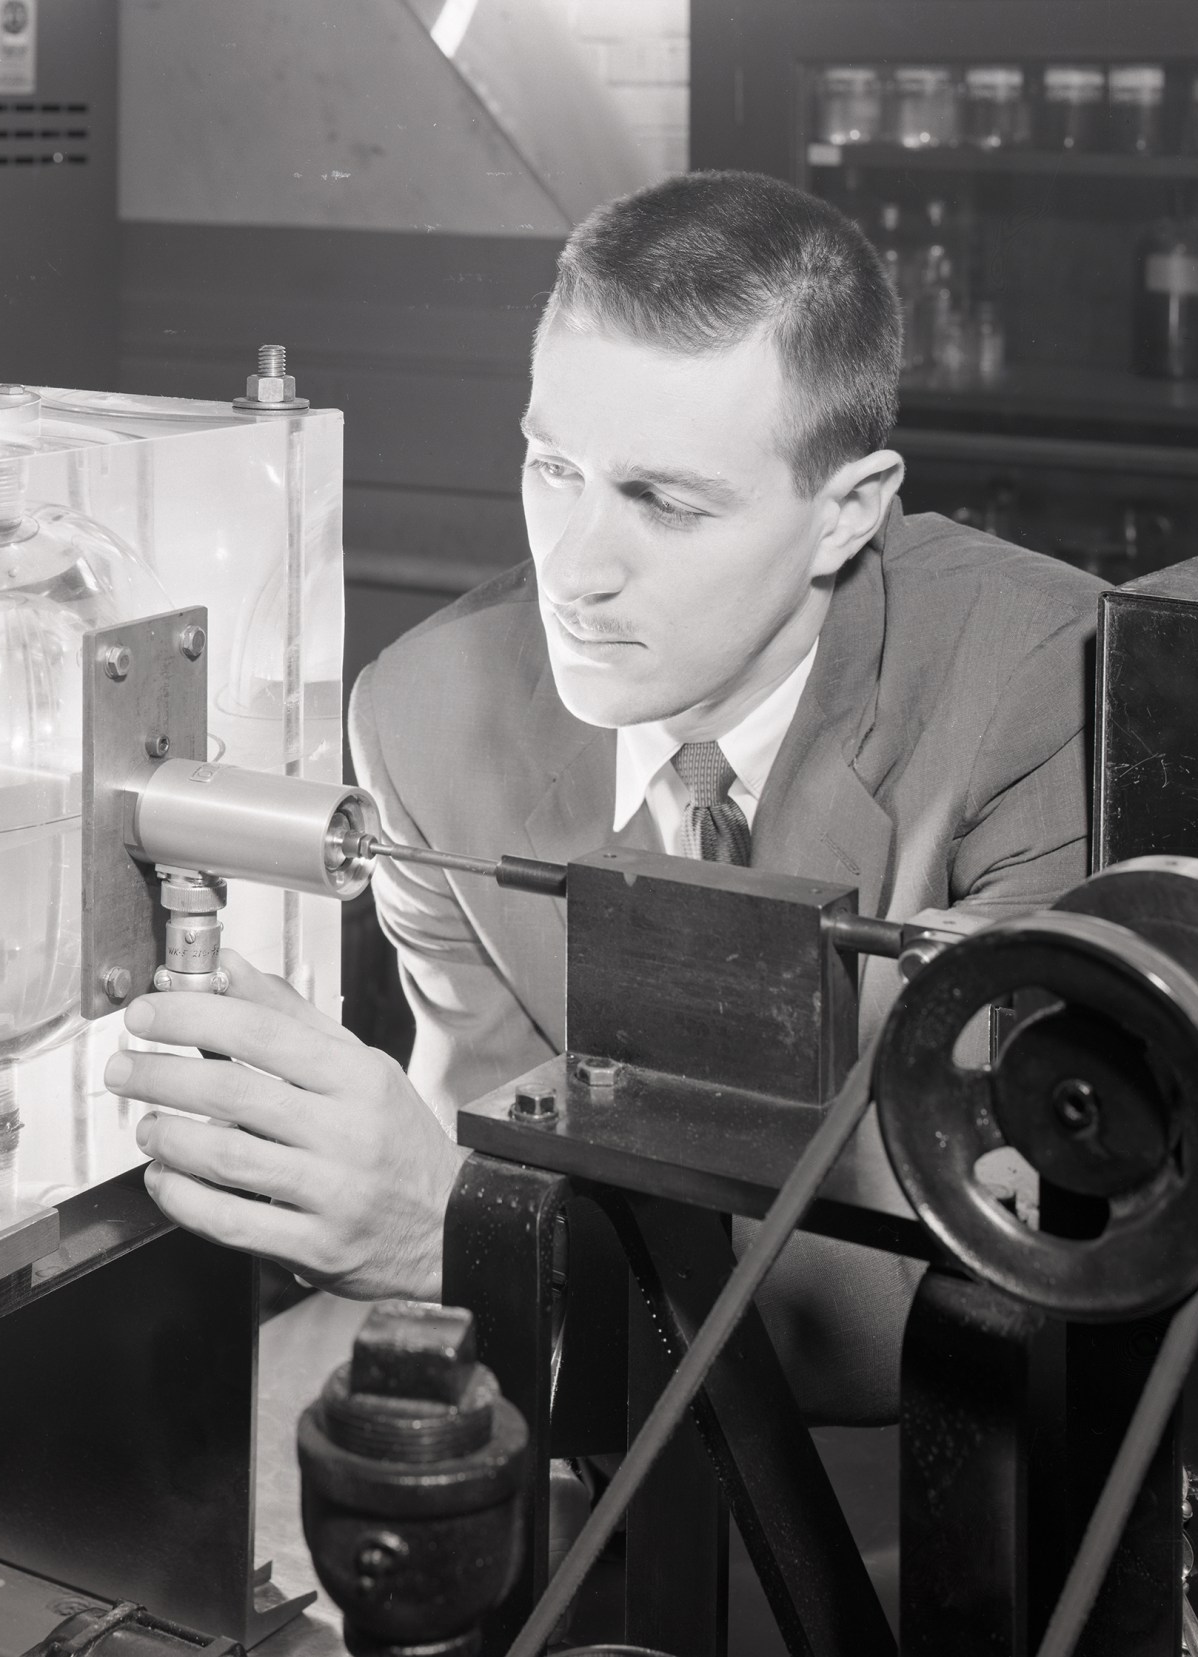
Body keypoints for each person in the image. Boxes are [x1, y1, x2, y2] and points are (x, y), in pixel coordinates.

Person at [102, 170, 1102, 1421]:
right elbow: (495, 1158)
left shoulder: (1031, 680)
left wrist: (449, 1234)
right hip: (606, 1444)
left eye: (664, 503)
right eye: (551, 467)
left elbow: (974, 1291)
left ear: (846, 514)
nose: (573, 570)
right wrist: (434, 1210)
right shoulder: (423, 718)